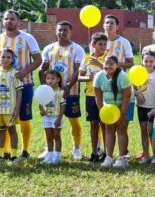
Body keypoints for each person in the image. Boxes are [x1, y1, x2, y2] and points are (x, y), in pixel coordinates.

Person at [0, 9, 42, 160]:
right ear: (2, 21)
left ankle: (25, 151)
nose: (9, 21)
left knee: (24, 117)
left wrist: (25, 72)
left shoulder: (27, 38)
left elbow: (38, 59)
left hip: (24, 84)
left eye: (12, 19)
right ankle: (4, 152)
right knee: (3, 117)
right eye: (6, 19)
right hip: (3, 86)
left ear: (18, 21)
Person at [39, 20, 85, 160]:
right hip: (52, 94)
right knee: (49, 120)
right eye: (60, 30)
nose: (62, 32)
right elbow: (43, 69)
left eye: (65, 30)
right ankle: (49, 149)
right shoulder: (49, 48)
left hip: (71, 91)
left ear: (71, 32)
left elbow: (78, 71)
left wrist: (68, 87)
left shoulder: (77, 49)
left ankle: (76, 147)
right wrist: (45, 88)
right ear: (56, 31)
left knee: (74, 120)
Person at [93, 55, 132, 168]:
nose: (108, 66)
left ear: (117, 65)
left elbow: (127, 96)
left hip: (125, 104)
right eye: (106, 63)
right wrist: (103, 113)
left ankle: (122, 158)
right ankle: (109, 157)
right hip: (108, 107)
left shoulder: (123, 77)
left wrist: (122, 114)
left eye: (111, 64)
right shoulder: (98, 76)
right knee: (108, 129)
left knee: (121, 128)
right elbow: (98, 97)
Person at [78, 33, 108, 162]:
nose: (103, 47)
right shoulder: (86, 59)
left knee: (105, 124)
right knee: (93, 123)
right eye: (100, 44)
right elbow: (79, 77)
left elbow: (113, 73)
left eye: (104, 44)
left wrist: (99, 64)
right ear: (93, 45)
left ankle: (107, 152)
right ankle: (94, 152)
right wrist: (87, 78)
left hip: (105, 96)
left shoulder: (108, 58)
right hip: (90, 95)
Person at [0, 48, 21, 164]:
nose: (5, 59)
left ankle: (14, 156)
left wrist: (17, 109)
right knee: (1, 131)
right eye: (3, 57)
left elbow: (19, 92)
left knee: (12, 130)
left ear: (12, 60)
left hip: (10, 109)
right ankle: (0, 155)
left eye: (8, 57)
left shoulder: (15, 73)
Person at [133, 50, 155, 163]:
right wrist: (137, 94)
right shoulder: (138, 72)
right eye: (146, 61)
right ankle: (146, 154)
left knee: (152, 131)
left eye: (151, 61)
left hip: (153, 108)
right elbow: (134, 87)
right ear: (142, 61)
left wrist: (154, 109)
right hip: (141, 107)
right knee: (143, 131)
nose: (148, 63)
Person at [39, 69, 65, 165]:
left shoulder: (60, 92)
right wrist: (42, 110)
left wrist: (59, 118)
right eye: (48, 78)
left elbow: (63, 106)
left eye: (52, 78)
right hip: (47, 117)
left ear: (58, 79)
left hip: (56, 117)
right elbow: (41, 104)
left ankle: (57, 156)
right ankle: (49, 156)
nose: (50, 80)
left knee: (56, 136)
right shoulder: (44, 91)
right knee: (48, 136)